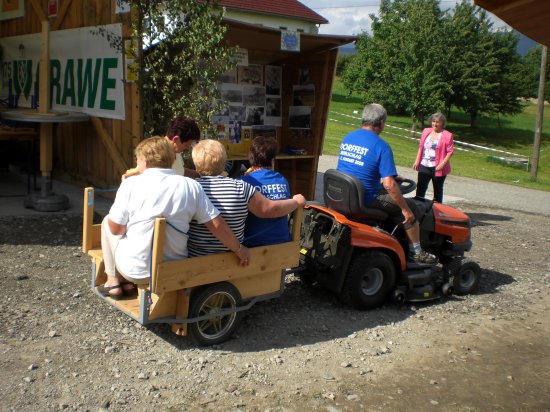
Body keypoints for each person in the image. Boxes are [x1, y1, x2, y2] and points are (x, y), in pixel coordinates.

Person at [99, 136, 250, 299]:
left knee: (107, 221)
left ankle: (113, 281)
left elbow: (116, 229)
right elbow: (216, 224)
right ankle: (122, 281)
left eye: (138, 159)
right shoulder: (191, 185)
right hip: (174, 267)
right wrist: (239, 249)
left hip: (136, 271)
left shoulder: (130, 184)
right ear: (172, 159)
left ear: (145, 161)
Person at [336, 104, 437, 265]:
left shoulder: (349, 137)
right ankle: (416, 252)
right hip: (366, 199)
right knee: (411, 207)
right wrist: (405, 209)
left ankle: (395, 237)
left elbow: (359, 165)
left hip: (344, 194)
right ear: (382, 123)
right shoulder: (381, 146)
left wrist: (391, 175)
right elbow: (389, 185)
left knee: (396, 203)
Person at [187, 139, 306, 256]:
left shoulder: (190, 188)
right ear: (224, 162)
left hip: (200, 256)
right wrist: (296, 201)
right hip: (265, 248)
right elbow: (267, 209)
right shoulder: (245, 185)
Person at [241, 136, 292, 247]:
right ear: (273, 159)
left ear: (251, 157)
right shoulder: (282, 180)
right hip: (282, 242)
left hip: (251, 244)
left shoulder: (242, 182)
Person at [413, 112, 454, 203]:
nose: (435, 124)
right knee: (420, 188)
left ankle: (437, 210)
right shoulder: (426, 131)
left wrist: (442, 164)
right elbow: (421, 146)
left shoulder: (447, 135)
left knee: (437, 191)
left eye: (437, 122)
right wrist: (417, 161)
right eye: (433, 121)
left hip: (438, 167)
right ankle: (419, 207)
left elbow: (450, 152)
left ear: (442, 123)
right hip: (424, 165)